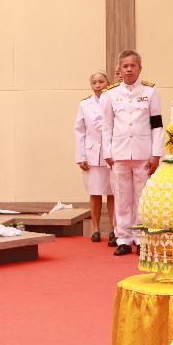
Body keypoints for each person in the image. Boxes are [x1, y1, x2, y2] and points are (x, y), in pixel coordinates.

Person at [100, 51, 163, 256]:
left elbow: (157, 125)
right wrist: (107, 152)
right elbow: (106, 126)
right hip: (118, 154)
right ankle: (123, 239)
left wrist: (156, 154)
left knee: (141, 198)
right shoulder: (110, 94)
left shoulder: (150, 92)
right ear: (120, 69)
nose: (129, 69)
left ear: (139, 68)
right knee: (121, 198)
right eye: (125, 66)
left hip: (143, 153)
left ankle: (141, 238)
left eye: (132, 66)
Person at [73, 72, 114, 243]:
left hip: (111, 154)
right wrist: (80, 156)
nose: (98, 85)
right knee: (95, 192)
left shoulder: (114, 100)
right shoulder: (84, 104)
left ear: (108, 83)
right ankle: (96, 229)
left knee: (113, 193)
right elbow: (79, 131)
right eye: (94, 82)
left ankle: (113, 229)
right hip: (92, 154)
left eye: (101, 81)